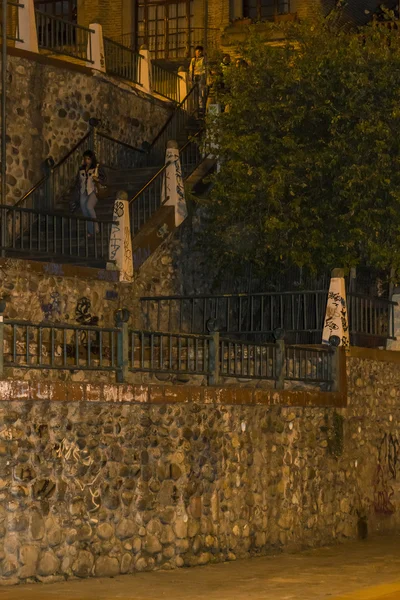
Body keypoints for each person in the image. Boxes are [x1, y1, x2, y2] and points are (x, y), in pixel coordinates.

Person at [77, 150, 106, 236]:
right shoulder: (81, 168)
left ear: (92, 159)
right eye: (85, 158)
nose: (87, 160)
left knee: (89, 206)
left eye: (88, 159)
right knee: (85, 211)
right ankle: (90, 231)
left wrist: (98, 179)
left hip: (93, 190)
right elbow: (78, 181)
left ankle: (96, 228)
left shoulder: (97, 167)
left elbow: (104, 179)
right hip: (83, 191)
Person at [189, 45, 207, 115]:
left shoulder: (203, 59)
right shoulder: (193, 60)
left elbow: (204, 69)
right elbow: (190, 69)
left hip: (201, 77)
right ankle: (195, 107)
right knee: (194, 93)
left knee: (201, 93)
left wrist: (202, 76)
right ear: (195, 52)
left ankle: (201, 108)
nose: (199, 52)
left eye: (200, 51)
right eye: (198, 51)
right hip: (194, 78)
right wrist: (191, 78)